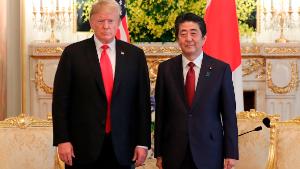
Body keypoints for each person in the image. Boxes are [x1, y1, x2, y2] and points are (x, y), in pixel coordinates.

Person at [52, 0, 151, 168]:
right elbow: (61, 101)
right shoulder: (72, 54)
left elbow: (142, 103)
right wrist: (62, 139)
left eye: (111, 21)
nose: (106, 26)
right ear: (91, 22)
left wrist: (142, 143)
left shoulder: (135, 56)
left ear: (119, 23)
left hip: (123, 147)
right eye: (100, 21)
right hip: (81, 147)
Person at [154, 13, 239, 169]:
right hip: (174, 150)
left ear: (204, 38)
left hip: (210, 150)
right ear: (178, 39)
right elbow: (161, 113)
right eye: (183, 33)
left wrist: (231, 152)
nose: (188, 38)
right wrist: (158, 152)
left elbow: (228, 115)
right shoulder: (166, 69)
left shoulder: (221, 69)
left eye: (193, 33)